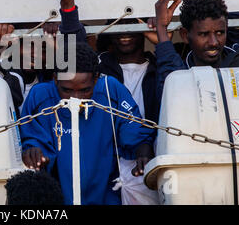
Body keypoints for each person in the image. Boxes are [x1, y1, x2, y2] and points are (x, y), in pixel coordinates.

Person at [19, 42, 155, 205]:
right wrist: (34, 152)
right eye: (67, 90)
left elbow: (134, 131)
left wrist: (143, 151)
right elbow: (33, 138)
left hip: (106, 193)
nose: (76, 98)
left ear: (96, 79)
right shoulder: (40, 95)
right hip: (57, 197)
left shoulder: (110, 89)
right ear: (55, 79)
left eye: (84, 90)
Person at [154, 0, 239, 97]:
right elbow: (174, 90)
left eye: (220, 33)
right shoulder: (180, 73)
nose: (213, 42)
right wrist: (161, 28)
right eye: (204, 34)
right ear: (185, 35)